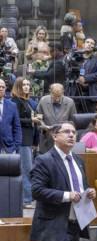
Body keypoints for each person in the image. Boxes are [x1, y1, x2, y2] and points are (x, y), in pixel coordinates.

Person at [30, 121, 96, 241]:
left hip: (75, 226)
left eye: (74, 132)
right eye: (66, 132)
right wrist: (67, 195)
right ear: (54, 136)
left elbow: (81, 186)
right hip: (56, 227)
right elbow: (37, 191)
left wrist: (89, 192)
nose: (72, 135)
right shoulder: (43, 160)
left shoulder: (79, 161)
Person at [11, 77, 43, 209]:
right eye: (23, 84)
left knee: (28, 169)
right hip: (22, 139)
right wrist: (32, 120)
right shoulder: (15, 101)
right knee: (26, 169)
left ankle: (27, 198)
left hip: (29, 139)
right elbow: (16, 120)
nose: (26, 87)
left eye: (28, 84)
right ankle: (26, 200)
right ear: (18, 86)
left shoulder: (28, 101)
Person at [64, 37, 97, 113]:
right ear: (83, 44)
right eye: (88, 42)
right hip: (74, 91)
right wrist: (78, 79)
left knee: (89, 117)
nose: (89, 44)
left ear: (94, 47)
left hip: (90, 92)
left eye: (92, 43)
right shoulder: (74, 58)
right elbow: (67, 72)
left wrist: (85, 78)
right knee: (74, 115)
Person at [36, 83, 77, 153]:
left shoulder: (70, 102)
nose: (57, 99)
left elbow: (73, 121)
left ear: (63, 93)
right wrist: (43, 126)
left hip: (64, 140)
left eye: (59, 96)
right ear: (50, 92)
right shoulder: (43, 101)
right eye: (55, 96)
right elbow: (38, 118)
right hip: (47, 139)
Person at [25, 25, 51, 96]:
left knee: (43, 83)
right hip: (35, 64)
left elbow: (50, 55)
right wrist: (33, 52)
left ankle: (43, 99)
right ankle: (36, 100)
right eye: (40, 33)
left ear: (45, 35)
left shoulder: (47, 44)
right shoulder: (32, 43)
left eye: (43, 34)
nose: (41, 35)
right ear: (36, 34)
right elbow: (27, 55)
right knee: (35, 83)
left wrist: (47, 57)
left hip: (44, 65)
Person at [0, 78, 21, 153]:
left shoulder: (12, 105)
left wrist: (16, 146)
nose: (1, 89)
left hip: (8, 148)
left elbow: (17, 127)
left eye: (3, 87)